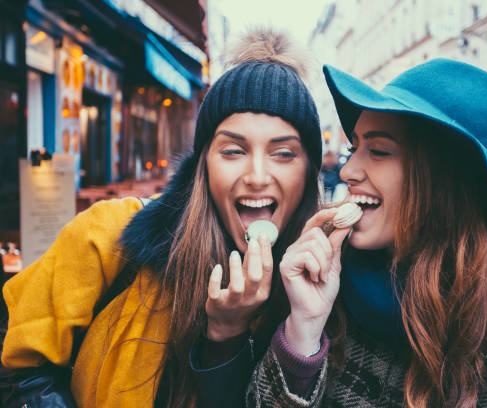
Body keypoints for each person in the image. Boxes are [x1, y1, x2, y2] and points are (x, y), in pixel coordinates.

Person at [1, 28, 322, 408]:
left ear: (309, 171)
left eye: (283, 153)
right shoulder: (109, 234)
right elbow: (18, 368)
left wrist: (231, 332)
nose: (255, 176)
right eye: (233, 150)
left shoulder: (318, 288)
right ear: (202, 164)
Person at [246, 59, 487, 407]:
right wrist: (304, 329)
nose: (349, 170)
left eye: (379, 151)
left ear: (445, 181)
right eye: (355, 148)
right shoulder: (315, 270)